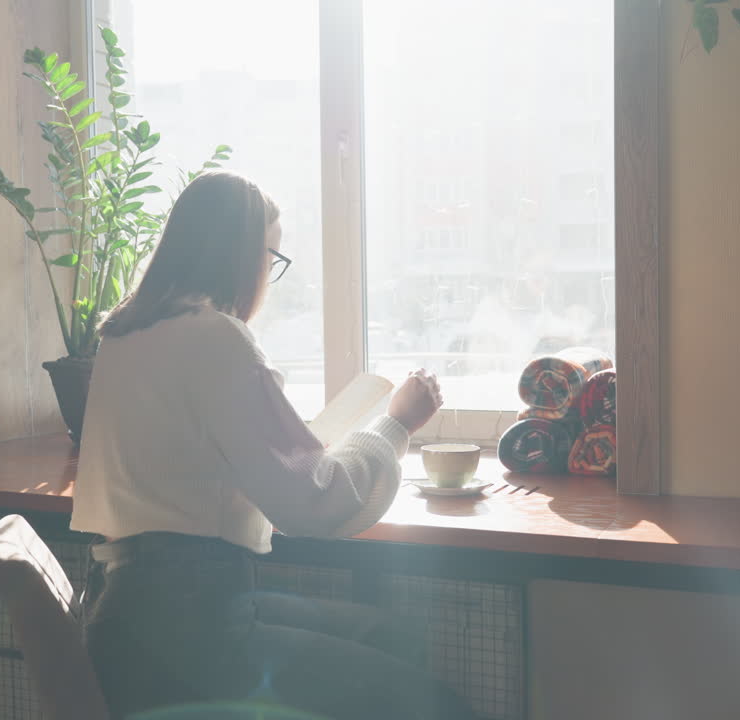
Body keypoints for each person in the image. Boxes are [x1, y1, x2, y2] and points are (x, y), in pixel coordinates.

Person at [71, 169, 473, 720]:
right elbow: (318, 504)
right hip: (190, 632)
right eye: (272, 258)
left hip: (126, 613)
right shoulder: (217, 337)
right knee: (439, 706)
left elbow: (202, 463)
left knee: (388, 636)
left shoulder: (124, 334)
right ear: (242, 256)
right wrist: (397, 423)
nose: (268, 274)